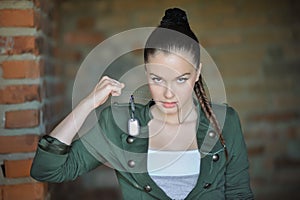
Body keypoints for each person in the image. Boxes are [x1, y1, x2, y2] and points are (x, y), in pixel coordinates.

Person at [31, 8, 254, 200]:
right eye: (158, 79)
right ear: (146, 72)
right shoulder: (118, 124)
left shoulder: (225, 122)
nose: (168, 93)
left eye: (181, 79)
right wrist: (87, 103)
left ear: (197, 74)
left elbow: (239, 194)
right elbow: (47, 170)